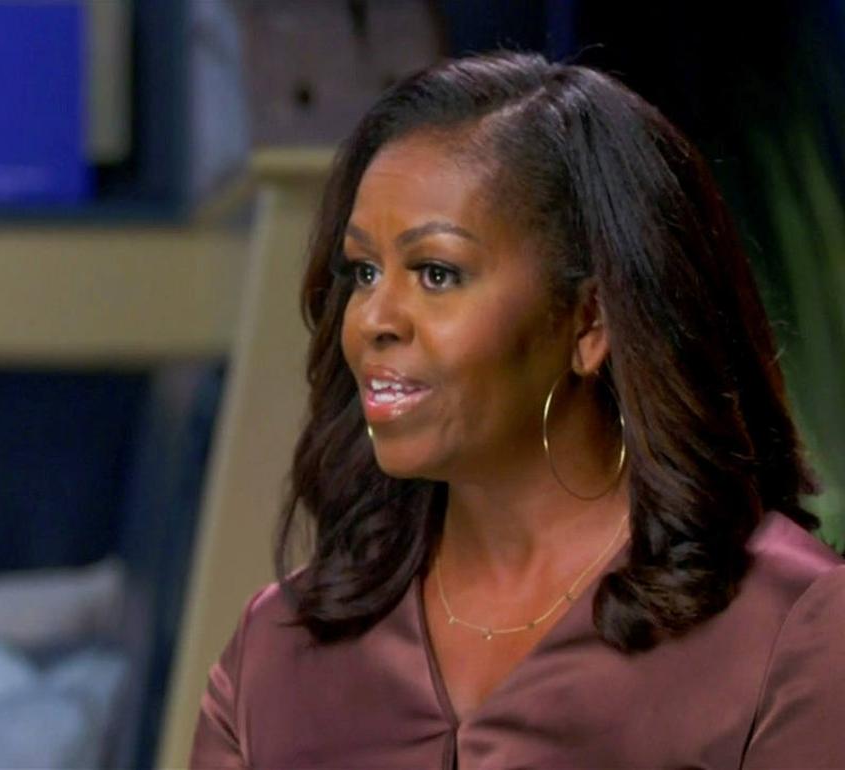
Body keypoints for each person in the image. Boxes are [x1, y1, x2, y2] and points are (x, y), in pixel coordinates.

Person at [189, 51, 845, 769]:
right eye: (364, 271)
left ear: (590, 322)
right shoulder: (276, 654)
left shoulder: (789, 630)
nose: (373, 318)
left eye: (436, 274)